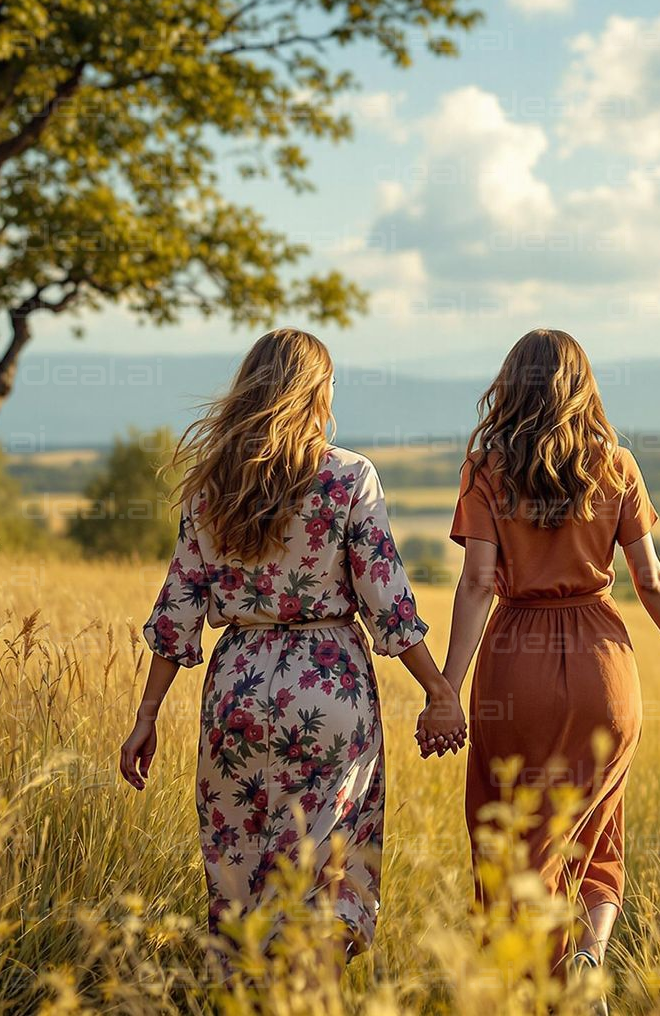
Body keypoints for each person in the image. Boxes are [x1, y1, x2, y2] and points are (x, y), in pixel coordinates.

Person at [118, 328, 467, 954]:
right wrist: (439, 691)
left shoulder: (209, 488)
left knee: (240, 885)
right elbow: (389, 604)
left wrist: (146, 718)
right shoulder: (349, 476)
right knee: (325, 890)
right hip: (330, 690)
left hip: (235, 694)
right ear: (316, 392)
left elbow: (177, 613)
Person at [442, 328, 660, 992]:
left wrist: (446, 686)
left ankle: (531, 984)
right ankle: (587, 963)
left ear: (511, 387)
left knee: (512, 826)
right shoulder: (616, 466)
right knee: (597, 826)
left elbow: (476, 582)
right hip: (602, 665)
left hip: (514, 661)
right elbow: (651, 579)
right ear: (582, 386)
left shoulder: (485, 470)